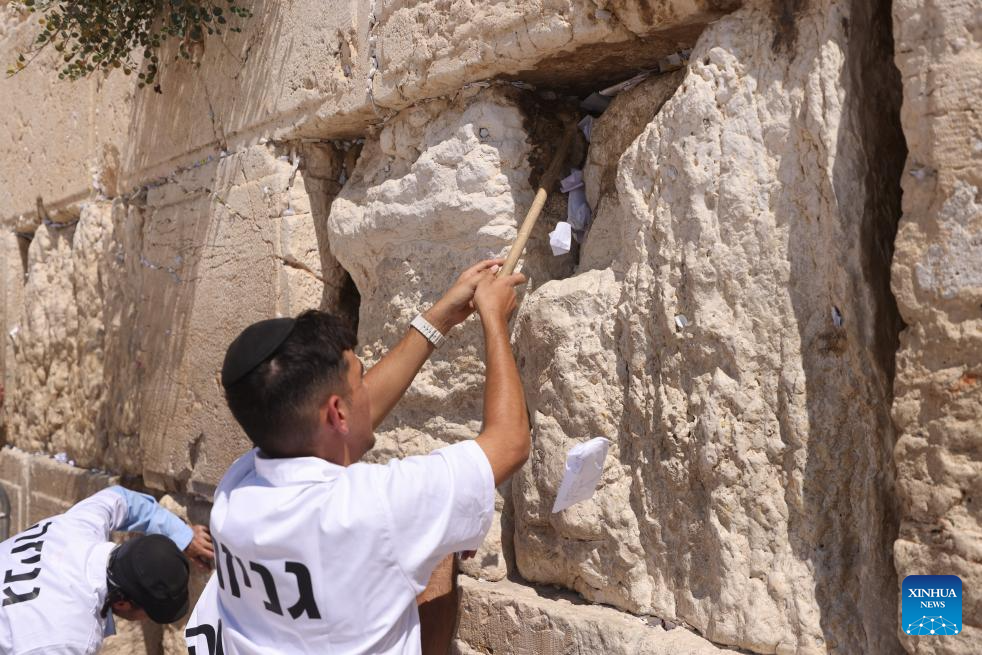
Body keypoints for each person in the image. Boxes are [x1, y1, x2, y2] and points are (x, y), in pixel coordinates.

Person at [185, 259, 530, 654]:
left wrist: (439, 318)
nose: (367, 389)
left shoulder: (238, 487)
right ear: (336, 413)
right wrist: (494, 318)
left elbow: (343, 425)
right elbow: (510, 441)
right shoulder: (373, 508)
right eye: (359, 379)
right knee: (434, 546)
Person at [0, 485, 215, 654]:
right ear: (121, 602)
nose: (146, 619)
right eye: (149, 612)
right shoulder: (70, 639)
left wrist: (182, 535)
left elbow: (123, 500)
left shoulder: (80, 526)